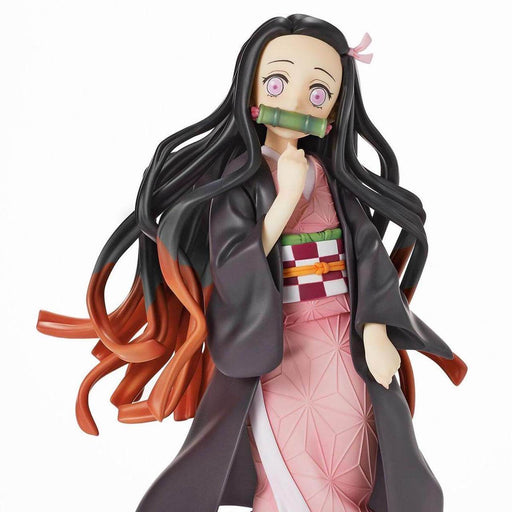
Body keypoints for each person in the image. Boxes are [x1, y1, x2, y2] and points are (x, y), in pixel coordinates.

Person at [37, 13, 467, 512]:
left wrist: (375, 330)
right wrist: (283, 201)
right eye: (279, 83)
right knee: (292, 462)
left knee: (357, 454)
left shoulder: (328, 175)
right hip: (280, 343)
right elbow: (233, 263)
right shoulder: (239, 178)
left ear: (334, 110)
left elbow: (367, 253)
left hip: (344, 341)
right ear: (252, 90)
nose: (296, 103)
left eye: (318, 92)